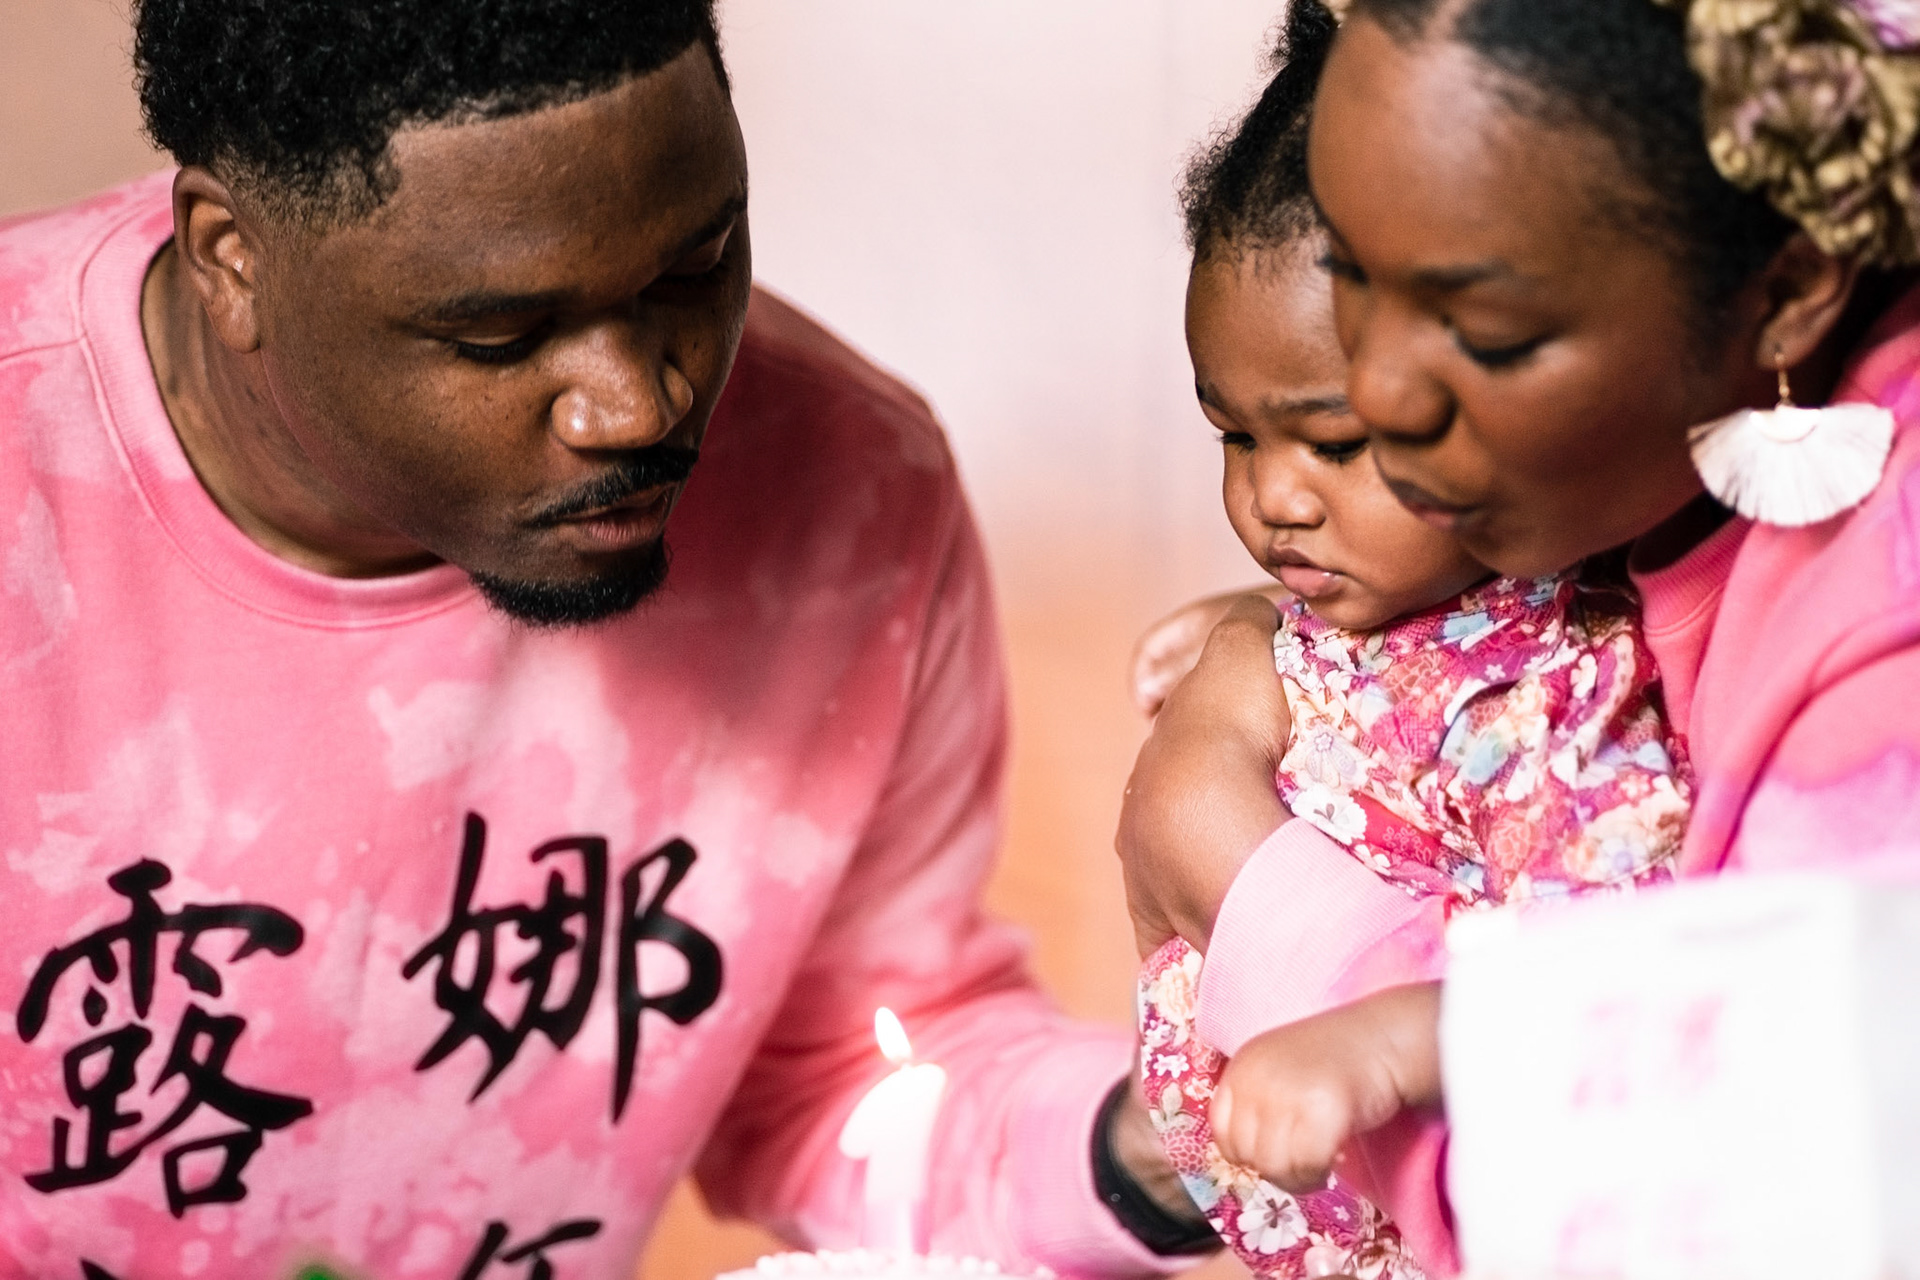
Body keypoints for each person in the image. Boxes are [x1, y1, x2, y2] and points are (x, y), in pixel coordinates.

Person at [0, 3, 1210, 1276]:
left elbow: (855, 1070)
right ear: (231, 257)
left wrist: (1165, 1141)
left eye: (693, 270)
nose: (638, 406)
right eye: (500, 337)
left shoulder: (851, 495)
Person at [1119, 0, 1920, 1273]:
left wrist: (1257, 891)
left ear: (1786, 290)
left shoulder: (1886, 636)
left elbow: (1713, 1208)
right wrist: (1297, 652)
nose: (1382, 393)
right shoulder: (1609, 494)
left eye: (1481, 332)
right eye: (1355, 277)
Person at [1132, 6, 1689, 1276]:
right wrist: (1253, 631)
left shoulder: (1542, 690)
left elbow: (1601, 972)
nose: (1273, 497)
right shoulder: (1377, 613)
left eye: (1335, 443)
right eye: (1235, 434)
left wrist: (1388, 1037)